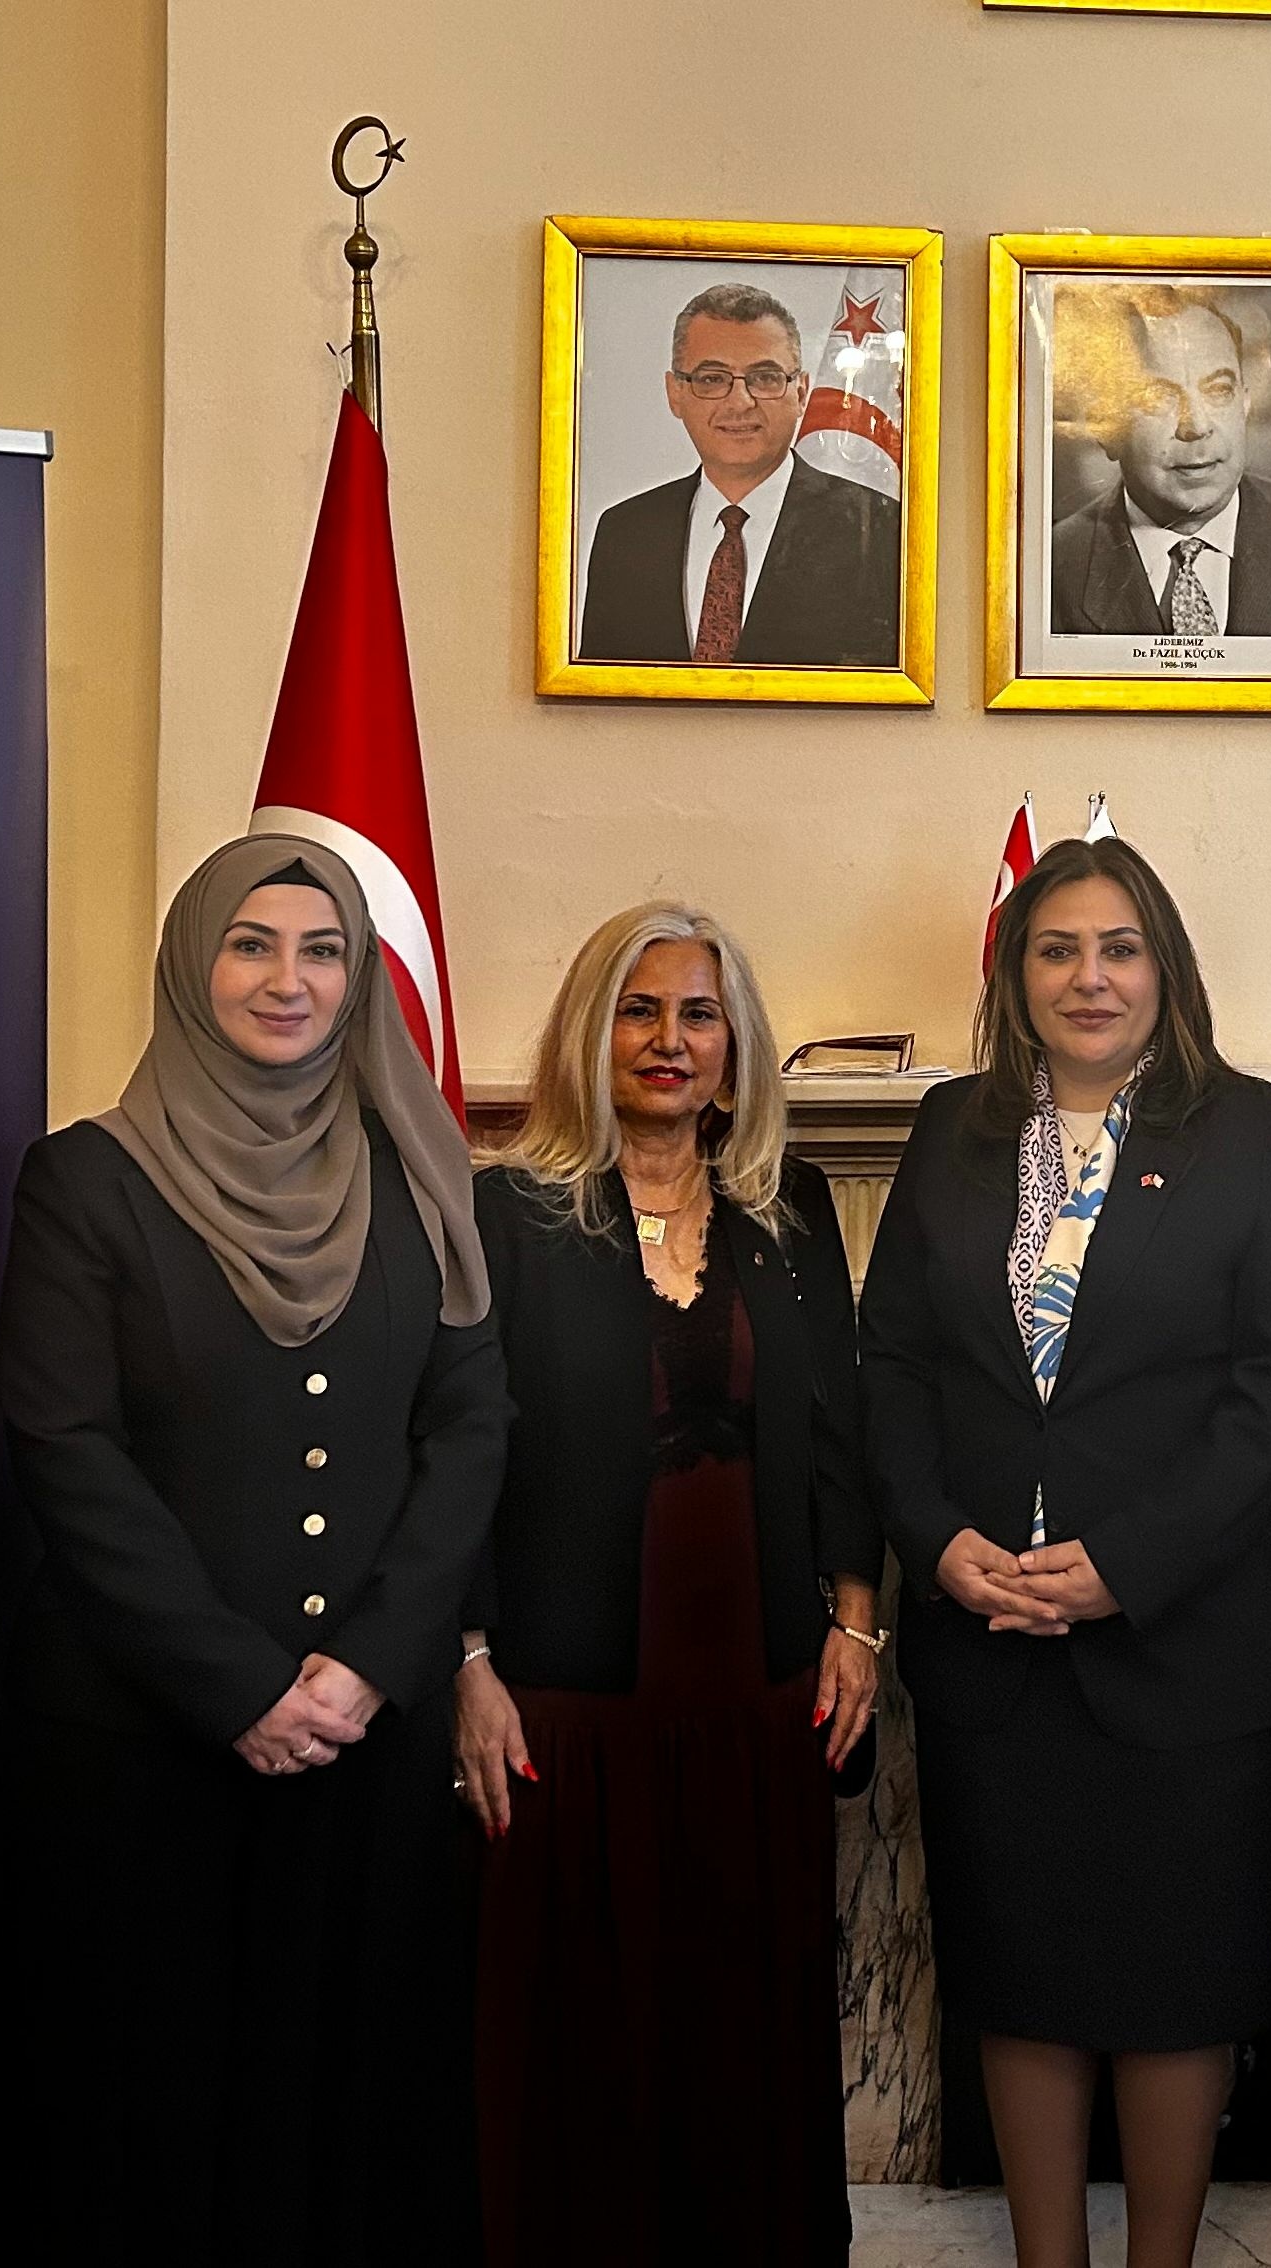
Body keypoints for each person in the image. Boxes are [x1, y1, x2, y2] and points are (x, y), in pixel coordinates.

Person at [0, 835, 509, 2264]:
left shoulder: (420, 1179)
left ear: (358, 981)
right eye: (251, 944)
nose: (289, 980)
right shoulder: (85, 1182)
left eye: (322, 951)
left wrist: (373, 1664)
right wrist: (241, 1688)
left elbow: (470, 1428)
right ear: (191, 966)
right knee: (146, 2124)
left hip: (369, 1746)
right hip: (144, 1750)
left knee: (353, 2112)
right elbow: (65, 1452)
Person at [858, 837, 1271, 2268]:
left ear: (1165, 969)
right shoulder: (952, 1130)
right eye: (1057, 949)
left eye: (1119, 948)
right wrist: (936, 1543)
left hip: (1186, 1647)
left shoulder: (1250, 1132)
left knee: (1179, 1984)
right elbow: (892, 1366)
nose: (1089, 977)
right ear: (1016, 973)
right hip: (991, 1643)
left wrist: (1129, 1562)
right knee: (1023, 1978)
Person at [455, 902, 877, 2267]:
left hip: (760, 1695)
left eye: (700, 1014)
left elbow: (844, 1432)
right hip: (568, 1704)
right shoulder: (507, 1214)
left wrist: (857, 1622)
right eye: (639, 1009)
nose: (669, 1039)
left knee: (740, 2024)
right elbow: (458, 1454)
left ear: (734, 1045)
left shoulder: (788, 1207)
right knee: (581, 2038)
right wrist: (468, 1660)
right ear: (592, 1032)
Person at [579, 280, 903, 668]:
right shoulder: (625, 533)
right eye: (712, 379)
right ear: (675, 393)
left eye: (765, 377)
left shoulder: (880, 530)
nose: (740, 402)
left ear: (801, 393)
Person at [1046, 283, 1271, 640]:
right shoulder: (1049, 568)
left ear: (1245, 403)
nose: (1196, 427)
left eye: (1219, 390)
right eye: (1157, 399)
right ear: (1106, 427)